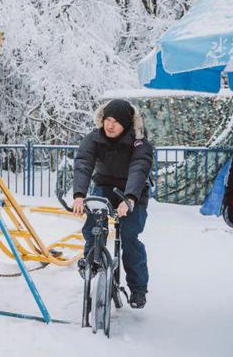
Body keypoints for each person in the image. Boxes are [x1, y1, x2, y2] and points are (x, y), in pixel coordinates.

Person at [72, 99, 153, 309]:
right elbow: (83, 163)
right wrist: (79, 194)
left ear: (126, 124)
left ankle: (138, 289)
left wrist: (131, 199)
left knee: (129, 235)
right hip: (106, 186)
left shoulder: (139, 142)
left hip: (134, 192)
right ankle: (92, 258)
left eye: (116, 121)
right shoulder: (95, 138)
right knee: (94, 220)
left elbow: (139, 169)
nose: (110, 125)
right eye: (107, 119)